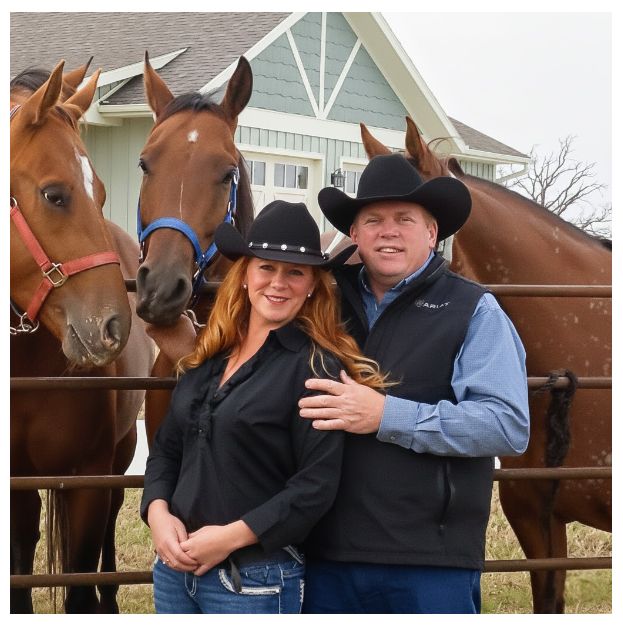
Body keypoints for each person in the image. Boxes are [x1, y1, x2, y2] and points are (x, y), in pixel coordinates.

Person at [298, 153, 530, 614]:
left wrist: (386, 415)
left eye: (405, 219)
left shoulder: (473, 310)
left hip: (430, 561)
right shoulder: (321, 300)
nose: (388, 231)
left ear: (432, 232)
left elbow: (505, 425)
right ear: (356, 235)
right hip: (325, 554)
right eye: (373, 220)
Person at [140, 200, 388, 614]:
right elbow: (167, 449)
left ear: (312, 284)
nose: (278, 282)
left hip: (252, 579)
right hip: (174, 570)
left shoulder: (315, 367)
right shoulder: (210, 358)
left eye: (295, 272)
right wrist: (158, 513)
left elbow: (315, 487)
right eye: (266, 268)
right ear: (244, 276)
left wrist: (230, 537)